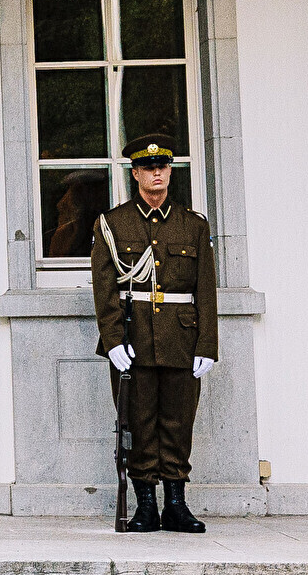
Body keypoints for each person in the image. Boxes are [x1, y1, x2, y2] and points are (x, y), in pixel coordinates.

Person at [91, 137, 217, 535]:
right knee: (139, 422)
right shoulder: (113, 224)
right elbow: (105, 290)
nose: (157, 173)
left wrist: (207, 344)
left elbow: (205, 290)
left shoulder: (193, 225)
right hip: (135, 339)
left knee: (178, 422)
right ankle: (146, 505)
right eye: (149, 167)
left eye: (163, 166)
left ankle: (176, 505)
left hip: (181, 338)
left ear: (170, 171)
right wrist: (113, 340)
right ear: (136, 173)